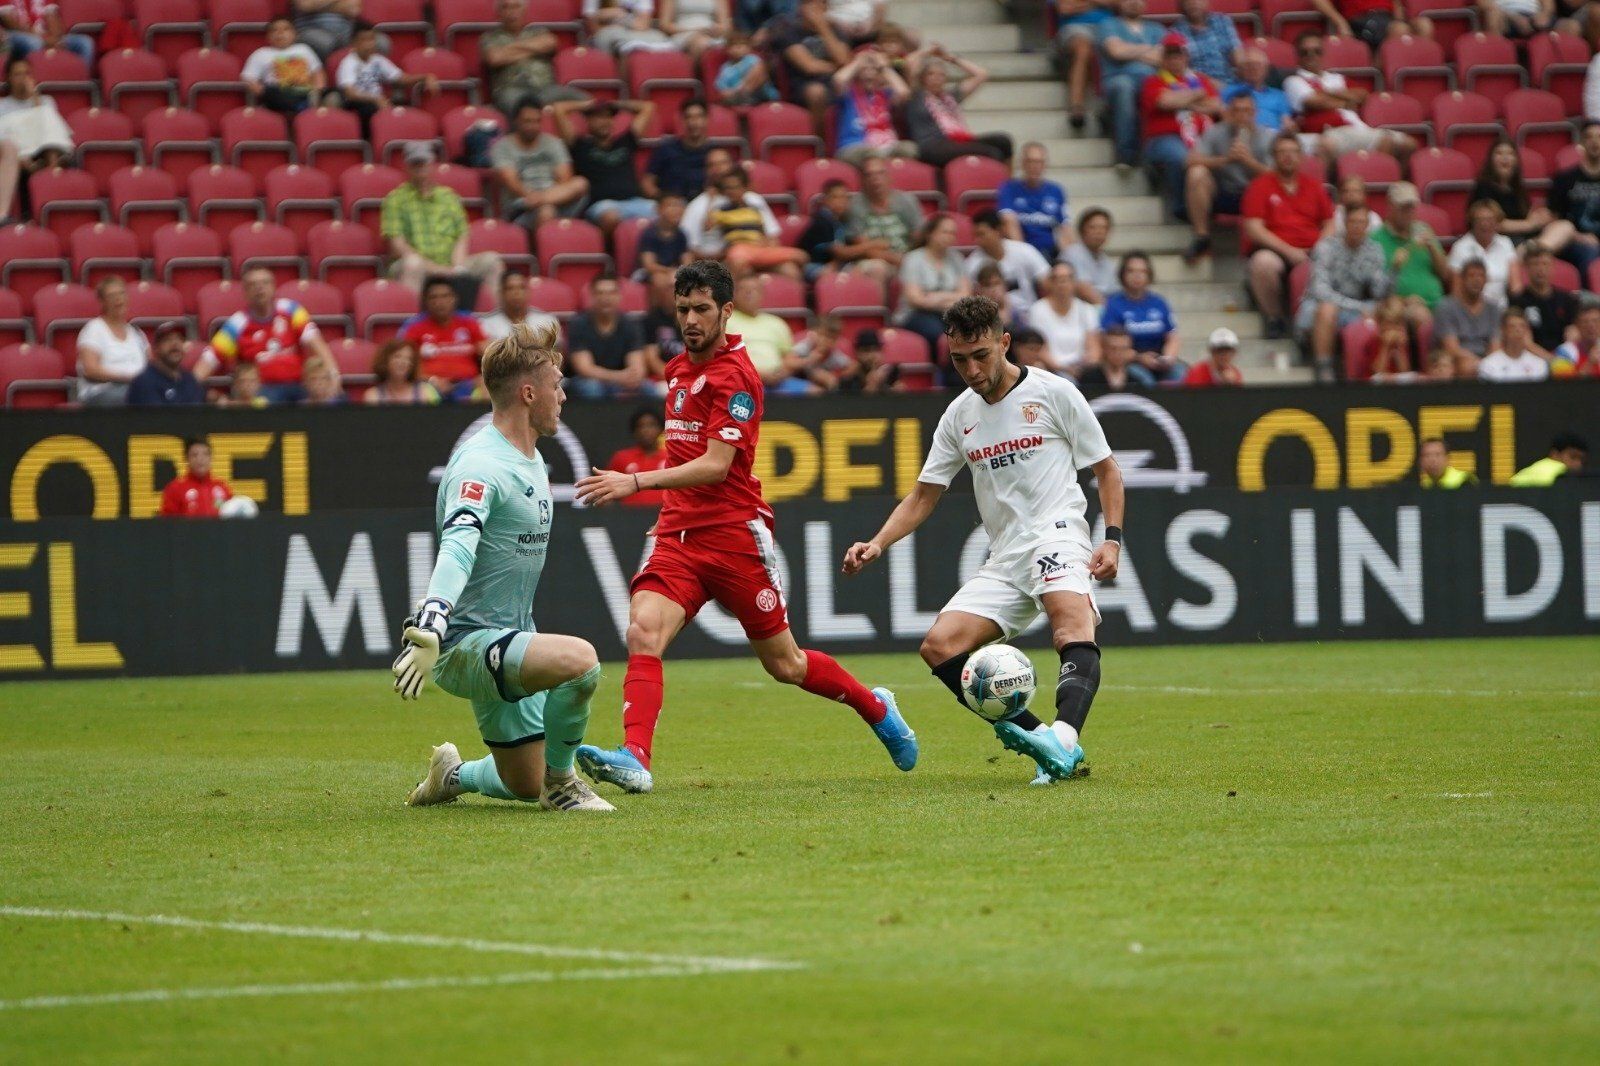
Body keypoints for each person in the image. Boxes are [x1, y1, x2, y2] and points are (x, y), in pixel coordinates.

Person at [572, 261, 918, 794]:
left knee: (786, 664)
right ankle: (635, 758)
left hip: (736, 536)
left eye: (701, 309)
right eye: (683, 308)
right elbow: (688, 454)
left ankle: (876, 706)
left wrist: (638, 484)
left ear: (726, 311)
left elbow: (716, 465)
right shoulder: (676, 370)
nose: (690, 319)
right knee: (643, 629)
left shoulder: (738, 376)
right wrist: (672, 513)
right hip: (679, 537)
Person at [843, 295, 1124, 785]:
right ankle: (1043, 741)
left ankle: (1063, 740)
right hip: (1005, 554)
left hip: (1057, 531)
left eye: (981, 355)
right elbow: (923, 496)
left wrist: (1113, 539)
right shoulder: (958, 416)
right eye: (958, 359)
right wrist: (879, 542)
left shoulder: (1055, 393)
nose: (970, 369)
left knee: (1069, 624)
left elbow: (1106, 469)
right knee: (939, 646)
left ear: (1004, 343)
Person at [394, 321, 614, 813]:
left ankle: (452, 774)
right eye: (557, 387)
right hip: (463, 643)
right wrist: (432, 621)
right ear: (529, 392)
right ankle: (563, 786)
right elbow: (458, 544)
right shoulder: (481, 466)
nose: (563, 397)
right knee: (581, 663)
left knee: (521, 781)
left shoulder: (529, 458)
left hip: (509, 633)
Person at [1242, 133, 1335, 338]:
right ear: (1274, 156)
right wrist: (1290, 251)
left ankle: (1311, 328)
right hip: (1275, 250)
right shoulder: (1260, 186)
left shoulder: (1314, 186)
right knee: (1263, 263)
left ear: (1301, 156)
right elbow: (1253, 228)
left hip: (1313, 249)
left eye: (1293, 152)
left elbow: (1329, 222)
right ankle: (1274, 317)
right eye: (1282, 152)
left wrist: (1320, 247)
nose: (1288, 157)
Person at [194, 267, 333, 403]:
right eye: (253, 285)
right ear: (245, 292)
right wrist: (189, 389)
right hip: (264, 389)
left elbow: (316, 344)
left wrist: (334, 376)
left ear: (274, 287)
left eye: (265, 283)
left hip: (299, 384)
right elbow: (209, 360)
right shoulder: (237, 324)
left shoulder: (291, 310)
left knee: (330, 399)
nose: (259, 288)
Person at [383, 142, 505, 295]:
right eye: (415, 163)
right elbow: (397, 247)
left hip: (452, 262)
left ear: (432, 163)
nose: (420, 167)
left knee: (491, 261)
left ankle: (495, 317)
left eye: (424, 162)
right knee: (412, 264)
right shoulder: (395, 199)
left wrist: (458, 267)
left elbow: (462, 235)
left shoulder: (449, 196)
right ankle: (413, 318)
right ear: (406, 166)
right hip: (418, 264)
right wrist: (436, 269)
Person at [1284, 31, 1413, 164]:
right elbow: (1314, 102)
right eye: (1305, 52)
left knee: (1408, 144)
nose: (1312, 56)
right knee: (1385, 142)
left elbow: (1362, 95)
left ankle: (1382, 177)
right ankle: (1374, 178)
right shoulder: (1294, 80)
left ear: (1323, 53)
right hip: (1332, 131)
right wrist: (1345, 101)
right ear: (1298, 56)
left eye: (1317, 51)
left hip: (1357, 128)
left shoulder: (1335, 78)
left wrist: (1325, 92)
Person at [1299, 203, 1389, 380]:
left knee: (1387, 309)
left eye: (1361, 222)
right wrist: (1358, 306)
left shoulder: (1374, 249)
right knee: (1328, 309)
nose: (1357, 226)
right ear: (1345, 224)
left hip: (1357, 306)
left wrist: (1393, 272)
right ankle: (1323, 367)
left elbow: (1379, 292)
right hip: (1319, 306)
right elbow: (1321, 291)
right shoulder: (1326, 247)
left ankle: (1377, 371)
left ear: (1367, 226)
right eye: (1353, 221)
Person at [1141, 34, 1222, 225]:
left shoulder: (1200, 79)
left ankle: (1213, 206)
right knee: (1180, 157)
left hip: (1204, 136)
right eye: (1169, 55)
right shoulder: (1154, 81)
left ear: (1186, 56)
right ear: (1163, 58)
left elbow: (1215, 106)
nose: (1174, 59)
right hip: (1164, 138)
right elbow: (1164, 102)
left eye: (1179, 54)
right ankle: (1182, 207)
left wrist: (1183, 101)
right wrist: (1197, 95)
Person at [1184, 91, 1273, 263]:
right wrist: (1226, 160)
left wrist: (1249, 162)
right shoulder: (1216, 132)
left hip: (1255, 194)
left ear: (1254, 113)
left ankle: (1263, 244)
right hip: (1223, 190)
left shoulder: (1267, 136)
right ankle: (1202, 237)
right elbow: (1190, 160)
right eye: (1236, 111)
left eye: (1246, 111)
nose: (1241, 115)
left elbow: (1277, 175)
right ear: (1229, 112)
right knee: (1196, 173)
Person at [550, 98, 656, 235]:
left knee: (669, 213)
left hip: (634, 201)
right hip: (601, 205)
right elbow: (559, 108)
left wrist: (616, 103)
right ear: (588, 121)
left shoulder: (626, 141)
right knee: (611, 217)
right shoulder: (580, 145)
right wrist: (587, 105)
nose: (605, 121)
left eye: (608, 117)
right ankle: (611, 251)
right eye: (598, 117)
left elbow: (648, 107)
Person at [492, 101, 590, 231]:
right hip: (522, 203)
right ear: (516, 121)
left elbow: (565, 177)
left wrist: (544, 198)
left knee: (581, 183)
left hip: (556, 198)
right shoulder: (503, 146)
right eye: (527, 121)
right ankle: (547, 249)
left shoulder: (553, 143)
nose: (533, 126)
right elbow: (511, 182)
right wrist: (533, 198)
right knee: (546, 212)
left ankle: (543, 204)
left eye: (537, 121)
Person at [904, 50, 1013, 167]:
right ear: (922, 77)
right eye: (931, 74)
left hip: (957, 141)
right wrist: (929, 51)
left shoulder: (950, 96)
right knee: (992, 153)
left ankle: (1008, 182)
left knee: (1003, 141)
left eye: (941, 75)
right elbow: (909, 62)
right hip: (932, 145)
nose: (936, 78)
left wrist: (952, 59)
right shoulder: (916, 95)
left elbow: (981, 74)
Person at [482, 0, 589, 117]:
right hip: (512, 91)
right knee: (522, 109)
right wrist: (533, 48)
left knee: (588, 101)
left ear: (524, 10)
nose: (511, 12)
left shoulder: (538, 31)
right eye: (505, 7)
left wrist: (509, 50)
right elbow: (495, 58)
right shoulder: (490, 37)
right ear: (499, 13)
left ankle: (559, 112)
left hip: (546, 88)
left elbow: (550, 42)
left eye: (516, 7)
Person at [763, 0, 853, 140]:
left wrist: (823, 28)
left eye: (819, 5)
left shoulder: (836, 31)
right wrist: (836, 67)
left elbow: (844, 61)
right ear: (801, 8)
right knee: (816, 92)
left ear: (826, 8)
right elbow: (809, 66)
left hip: (836, 82)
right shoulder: (789, 32)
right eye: (809, 5)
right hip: (802, 85)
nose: (814, 10)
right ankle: (820, 142)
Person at [1096, 0, 1166, 171]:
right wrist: (1147, 49)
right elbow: (1116, 52)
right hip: (1117, 80)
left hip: (1150, 81)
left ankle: (1154, 160)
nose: (1134, 3)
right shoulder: (1108, 24)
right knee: (1124, 87)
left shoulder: (1157, 29)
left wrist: (1130, 51)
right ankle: (1126, 155)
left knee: (1156, 88)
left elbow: (1163, 59)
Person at [336, 20, 436, 139]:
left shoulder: (378, 60)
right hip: (357, 104)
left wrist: (424, 77)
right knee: (372, 110)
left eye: (371, 39)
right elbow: (350, 93)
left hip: (378, 102)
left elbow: (400, 78)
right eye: (364, 40)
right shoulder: (348, 63)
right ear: (354, 42)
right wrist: (375, 99)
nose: (369, 44)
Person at [702, 166, 806, 276]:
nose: (731, 191)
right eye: (727, 188)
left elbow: (771, 237)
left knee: (795, 263)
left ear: (745, 188)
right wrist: (712, 199)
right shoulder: (721, 210)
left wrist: (768, 243)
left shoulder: (756, 209)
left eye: (735, 187)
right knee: (740, 264)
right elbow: (707, 226)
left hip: (760, 251)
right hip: (739, 252)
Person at [566, 273, 654, 400]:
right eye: (600, 293)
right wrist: (619, 377)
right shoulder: (579, 324)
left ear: (619, 296)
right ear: (592, 296)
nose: (605, 298)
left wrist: (631, 377)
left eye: (611, 293)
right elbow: (584, 369)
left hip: (620, 379)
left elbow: (637, 367)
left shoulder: (630, 324)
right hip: (588, 381)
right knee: (592, 388)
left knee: (649, 388)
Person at [1373, 182, 1452, 322]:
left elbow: (1445, 274)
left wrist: (1432, 249)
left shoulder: (1424, 230)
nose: (1408, 213)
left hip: (1436, 302)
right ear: (1390, 206)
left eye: (1412, 207)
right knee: (1421, 316)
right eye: (1403, 208)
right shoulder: (1376, 239)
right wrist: (1403, 299)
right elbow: (1376, 289)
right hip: (1402, 306)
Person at [895, 213, 972, 355]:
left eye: (952, 233)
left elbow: (965, 295)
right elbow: (915, 299)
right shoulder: (913, 259)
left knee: (971, 330)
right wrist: (950, 298)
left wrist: (933, 297)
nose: (950, 237)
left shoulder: (956, 259)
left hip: (949, 312)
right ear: (930, 233)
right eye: (945, 232)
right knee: (940, 334)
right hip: (916, 315)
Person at [1100, 251, 1183, 381]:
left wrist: (1168, 358)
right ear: (1123, 275)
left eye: (1142, 271)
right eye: (1131, 271)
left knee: (1181, 375)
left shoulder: (1159, 302)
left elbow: (1172, 336)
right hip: (1130, 362)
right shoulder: (1114, 304)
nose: (1137, 276)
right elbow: (1110, 343)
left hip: (1159, 359)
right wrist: (1139, 357)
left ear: (1149, 275)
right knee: (1143, 380)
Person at [727, 272, 813, 394]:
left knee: (816, 392)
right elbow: (725, 359)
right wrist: (759, 375)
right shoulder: (725, 320)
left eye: (754, 290)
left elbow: (789, 358)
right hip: (742, 383)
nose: (749, 294)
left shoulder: (776, 322)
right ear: (733, 295)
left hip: (779, 381)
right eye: (744, 290)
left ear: (762, 294)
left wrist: (781, 373)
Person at [402, 278, 489, 398]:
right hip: (430, 385)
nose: (440, 302)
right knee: (422, 394)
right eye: (434, 297)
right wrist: (431, 380)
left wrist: (481, 378)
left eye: (445, 296)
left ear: (454, 298)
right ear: (426, 301)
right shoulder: (415, 327)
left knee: (488, 390)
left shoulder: (469, 322)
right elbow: (404, 363)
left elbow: (489, 354)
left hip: (469, 384)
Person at [830, 47, 914, 166]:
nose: (869, 74)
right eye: (865, 70)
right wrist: (858, 62)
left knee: (909, 148)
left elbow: (904, 93)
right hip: (854, 147)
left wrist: (884, 67)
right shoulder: (848, 93)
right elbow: (838, 79)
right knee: (872, 153)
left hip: (886, 146)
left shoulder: (884, 94)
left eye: (873, 70)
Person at [75, 277, 150, 406]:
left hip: (137, 388)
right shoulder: (94, 330)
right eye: (111, 296)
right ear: (102, 302)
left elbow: (153, 365)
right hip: (103, 391)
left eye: (121, 294)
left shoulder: (137, 333)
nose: (118, 300)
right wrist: (128, 378)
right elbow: (90, 370)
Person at [1539, 121, 1600, 281]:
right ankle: (1589, 300)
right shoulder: (1565, 178)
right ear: (1581, 143)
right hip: (1573, 240)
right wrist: (1578, 236)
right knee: (1589, 252)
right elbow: (1554, 220)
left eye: (1599, 137)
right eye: (1589, 137)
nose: (1595, 142)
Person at [965, 210, 1052, 319]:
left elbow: (1048, 282)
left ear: (998, 230)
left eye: (981, 234)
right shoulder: (972, 264)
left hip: (1029, 314)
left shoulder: (1024, 250)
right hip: (994, 318)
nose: (978, 240)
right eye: (975, 236)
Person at [799, 179, 888, 282]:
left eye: (844, 197)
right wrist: (873, 244)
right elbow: (842, 253)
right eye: (835, 197)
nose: (840, 202)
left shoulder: (843, 220)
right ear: (826, 200)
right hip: (813, 265)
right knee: (832, 275)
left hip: (838, 264)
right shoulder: (822, 221)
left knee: (874, 268)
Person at [998, 142, 1073, 260]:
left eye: (1038, 162)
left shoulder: (1056, 191)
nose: (1034, 166)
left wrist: (1068, 259)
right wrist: (1025, 255)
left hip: (1051, 252)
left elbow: (1065, 228)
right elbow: (1009, 222)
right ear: (1022, 163)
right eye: (1030, 161)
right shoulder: (1009, 189)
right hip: (1022, 252)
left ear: (1045, 165)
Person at [846, 156, 922, 270]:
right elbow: (864, 248)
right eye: (869, 175)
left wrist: (910, 259)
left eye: (880, 173)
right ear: (862, 180)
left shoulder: (907, 201)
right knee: (877, 268)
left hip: (906, 256)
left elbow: (919, 236)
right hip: (873, 260)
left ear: (889, 177)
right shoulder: (855, 206)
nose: (875, 179)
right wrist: (896, 259)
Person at [1430, 259, 1501, 378]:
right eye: (1472, 275)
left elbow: (1495, 344)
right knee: (1467, 367)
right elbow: (1451, 348)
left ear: (1486, 280)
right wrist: (1479, 363)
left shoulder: (1493, 308)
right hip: (1458, 358)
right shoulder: (1446, 307)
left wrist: (1488, 363)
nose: (1477, 280)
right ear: (1461, 279)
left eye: (1481, 276)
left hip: (1487, 359)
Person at [1027, 261, 1101, 375]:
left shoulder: (1087, 310)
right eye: (1057, 279)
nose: (1062, 283)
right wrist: (1064, 369)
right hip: (1051, 369)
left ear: (1074, 283)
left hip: (1082, 370)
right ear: (1050, 283)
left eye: (1067, 278)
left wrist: (1086, 366)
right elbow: (1039, 350)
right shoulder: (1037, 310)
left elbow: (1094, 347)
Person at [1472, 138, 1552, 243]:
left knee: (1562, 226)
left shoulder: (1517, 188)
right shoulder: (1483, 188)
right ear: (1490, 159)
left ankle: (1540, 249)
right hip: (1499, 240)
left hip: (1524, 236)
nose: (1505, 158)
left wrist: (1539, 216)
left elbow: (1525, 215)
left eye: (1510, 154)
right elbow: (1493, 223)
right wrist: (1529, 225)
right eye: (1499, 153)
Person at [0, 56, 71, 174]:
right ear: (9, 78)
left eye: (27, 73)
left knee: (47, 114)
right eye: (18, 74)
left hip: (42, 149)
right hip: (17, 152)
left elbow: (49, 129)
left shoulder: (45, 101)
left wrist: (34, 97)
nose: (23, 78)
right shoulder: (2, 105)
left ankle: (51, 172)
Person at [242, 17, 325, 116]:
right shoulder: (261, 53)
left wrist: (317, 91)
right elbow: (248, 78)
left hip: (303, 91)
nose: (280, 33)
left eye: (286, 29)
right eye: (274, 30)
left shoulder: (304, 49)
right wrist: (262, 92)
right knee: (276, 93)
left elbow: (318, 73)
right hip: (276, 93)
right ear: (268, 36)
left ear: (295, 34)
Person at [1056, 0, 1118, 130]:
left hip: (1109, 27)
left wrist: (1082, 4)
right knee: (1083, 50)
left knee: (1113, 51)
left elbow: (1119, 3)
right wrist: (1098, 4)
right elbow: (1065, 8)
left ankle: (1107, 108)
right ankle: (1076, 107)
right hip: (1076, 27)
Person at [1449, 200, 1522, 305]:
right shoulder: (1460, 247)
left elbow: (1515, 286)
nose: (1485, 224)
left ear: (1497, 223)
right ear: (1472, 222)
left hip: (1501, 309)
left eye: (1490, 220)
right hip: (1471, 308)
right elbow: (1456, 292)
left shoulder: (1505, 243)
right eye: (1480, 220)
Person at [1510, 243, 1579, 352]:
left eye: (1545, 264)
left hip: (1563, 357)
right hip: (1532, 357)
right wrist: (1551, 360)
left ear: (1552, 267)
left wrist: (1563, 355)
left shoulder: (1567, 299)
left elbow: (1573, 333)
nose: (1540, 269)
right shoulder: (1517, 302)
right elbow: (1525, 341)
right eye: (1535, 264)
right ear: (1526, 268)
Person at [644, 103, 714, 205]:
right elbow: (647, 183)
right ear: (682, 121)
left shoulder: (715, 153)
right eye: (689, 117)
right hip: (670, 207)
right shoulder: (665, 149)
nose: (694, 122)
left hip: (705, 205)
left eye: (699, 117)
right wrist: (664, 201)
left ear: (707, 120)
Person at [126, 322, 206, 406]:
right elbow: (157, 418)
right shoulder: (144, 382)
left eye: (180, 339)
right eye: (167, 340)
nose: (175, 344)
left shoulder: (189, 379)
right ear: (156, 349)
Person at [606, 406, 672, 507]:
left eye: (652, 425)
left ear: (661, 429)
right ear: (634, 431)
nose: (646, 430)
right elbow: (607, 492)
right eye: (640, 426)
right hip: (628, 518)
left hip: (663, 517)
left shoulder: (670, 457)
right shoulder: (621, 457)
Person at [637, 194, 694, 306]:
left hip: (674, 272)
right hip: (650, 273)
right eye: (671, 206)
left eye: (679, 206)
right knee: (660, 281)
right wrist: (670, 272)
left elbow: (687, 260)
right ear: (658, 209)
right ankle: (658, 315)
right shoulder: (649, 234)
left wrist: (680, 273)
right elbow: (649, 265)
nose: (676, 210)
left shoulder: (681, 234)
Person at [0, 0, 93, 67]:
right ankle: (36, 84)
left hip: (45, 37)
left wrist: (55, 39)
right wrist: (44, 40)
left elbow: (53, 18)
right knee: (33, 43)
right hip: (14, 35)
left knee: (84, 42)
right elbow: (9, 22)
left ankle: (80, 83)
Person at [1310, 0, 1432, 49]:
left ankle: (1423, 73)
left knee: (1424, 25)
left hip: (1387, 18)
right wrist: (1341, 23)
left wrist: (1399, 19)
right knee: (1399, 30)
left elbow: (1397, 4)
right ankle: (1384, 78)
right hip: (1361, 20)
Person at [1172, 0, 1241, 87]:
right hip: (1200, 86)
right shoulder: (1175, 33)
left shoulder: (1223, 21)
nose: (1194, 3)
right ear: (1181, 4)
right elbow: (1181, 69)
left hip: (1231, 82)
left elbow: (1238, 54)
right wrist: (1211, 84)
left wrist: (1245, 71)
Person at [160, 438, 234, 518]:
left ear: (211, 458)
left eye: (205, 454)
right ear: (186, 459)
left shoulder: (222, 487)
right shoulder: (175, 489)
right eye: (195, 455)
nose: (200, 459)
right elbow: (167, 524)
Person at [1223, 48, 1292, 132]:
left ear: (1266, 69)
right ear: (1240, 70)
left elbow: (1286, 121)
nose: (1253, 68)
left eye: (1257, 64)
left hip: (1274, 137)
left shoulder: (1279, 95)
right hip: (1242, 133)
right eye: (1248, 65)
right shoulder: (1230, 91)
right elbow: (1225, 116)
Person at [479, 271, 561, 342]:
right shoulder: (485, 324)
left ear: (529, 292)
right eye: (510, 288)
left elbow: (556, 353)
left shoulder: (547, 321)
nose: (516, 292)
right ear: (501, 293)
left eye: (522, 288)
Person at [1062, 207, 1118, 303]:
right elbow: (1083, 290)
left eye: (1104, 228)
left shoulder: (1107, 262)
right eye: (1093, 227)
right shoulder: (1073, 253)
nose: (1099, 232)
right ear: (1082, 230)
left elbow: (1115, 292)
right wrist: (1111, 312)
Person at [1480, 307, 1551, 381]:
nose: (1518, 330)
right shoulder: (1489, 365)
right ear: (1503, 330)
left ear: (1527, 330)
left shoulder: (1539, 365)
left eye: (1522, 326)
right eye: (1512, 326)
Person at [365, 338, 442, 404]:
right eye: (397, 356)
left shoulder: (426, 391)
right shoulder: (373, 396)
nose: (403, 362)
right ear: (385, 361)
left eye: (408, 358)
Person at [713, 29, 777, 106]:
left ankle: (744, 93)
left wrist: (742, 88)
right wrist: (729, 92)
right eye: (734, 45)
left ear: (748, 48)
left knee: (758, 69)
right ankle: (742, 97)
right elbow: (721, 87)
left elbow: (760, 76)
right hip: (736, 97)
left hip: (759, 93)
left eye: (742, 45)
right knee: (726, 95)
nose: (738, 48)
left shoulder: (752, 59)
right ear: (728, 49)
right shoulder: (725, 68)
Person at [293, 0, 375, 60]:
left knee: (380, 43)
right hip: (312, 30)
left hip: (347, 34)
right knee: (326, 43)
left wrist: (319, 6)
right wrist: (338, 4)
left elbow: (353, 10)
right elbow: (305, 5)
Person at [1078, 325, 1153, 389]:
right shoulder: (1089, 379)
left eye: (1123, 349)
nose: (1118, 353)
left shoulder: (1137, 379)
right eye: (1113, 348)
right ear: (1104, 349)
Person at [585, 0, 672, 55]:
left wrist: (623, 17)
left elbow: (643, 24)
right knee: (623, 43)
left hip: (633, 31)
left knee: (659, 39)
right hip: (606, 32)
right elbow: (592, 27)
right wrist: (604, 14)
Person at [1508, 431, 1587, 485]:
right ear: (1555, 454)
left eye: (1581, 459)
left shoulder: (1527, 472)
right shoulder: (1560, 475)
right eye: (1573, 457)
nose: (1578, 464)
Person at [660, 0, 730, 59]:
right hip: (683, 33)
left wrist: (716, 29)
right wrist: (694, 30)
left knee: (735, 45)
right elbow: (665, 25)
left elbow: (724, 25)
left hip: (710, 32)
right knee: (702, 43)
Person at [1478, 0, 1558, 37]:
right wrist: (1515, 18)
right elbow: (1484, 4)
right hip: (1506, 16)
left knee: (1568, 26)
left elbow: (1549, 6)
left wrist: (1544, 14)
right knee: (1493, 15)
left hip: (1535, 16)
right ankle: (1498, 59)